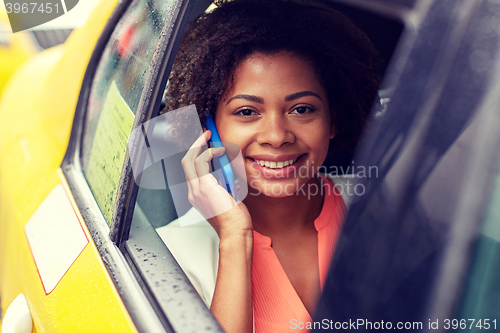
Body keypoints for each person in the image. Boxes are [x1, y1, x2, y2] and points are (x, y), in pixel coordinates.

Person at [156, 0, 381, 332]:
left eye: (302, 109)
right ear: (209, 128)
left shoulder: (377, 209)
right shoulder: (171, 256)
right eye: (247, 112)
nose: (276, 136)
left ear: (333, 119)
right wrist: (234, 238)